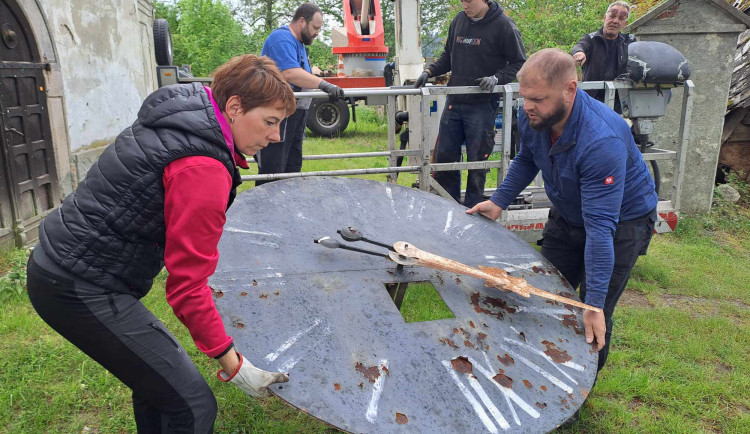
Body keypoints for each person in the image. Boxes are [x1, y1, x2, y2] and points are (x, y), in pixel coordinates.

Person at [26, 54, 296, 432]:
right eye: (270, 122)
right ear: (233, 107)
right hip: (78, 286)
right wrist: (234, 363)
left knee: (158, 386)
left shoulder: (185, 118)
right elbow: (187, 285)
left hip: (69, 267)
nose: (276, 136)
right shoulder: (201, 167)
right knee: (191, 407)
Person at [467, 48, 657, 389]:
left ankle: (575, 393)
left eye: (537, 99)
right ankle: (540, 378)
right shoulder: (534, 116)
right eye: (524, 97)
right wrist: (499, 201)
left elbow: (601, 231)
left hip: (621, 223)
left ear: (570, 90)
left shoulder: (601, 140)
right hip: (568, 212)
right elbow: (528, 157)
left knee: (590, 313)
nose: (527, 107)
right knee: (543, 297)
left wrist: (595, 303)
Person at [414, 0, 526, 208]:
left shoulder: (504, 26)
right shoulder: (458, 20)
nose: (465, 5)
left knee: (477, 160)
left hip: (483, 104)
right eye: (462, 1)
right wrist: (428, 72)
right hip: (455, 101)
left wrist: (496, 78)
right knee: (445, 157)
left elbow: (519, 63)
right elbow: (448, 55)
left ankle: (473, 209)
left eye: (469, 1)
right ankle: (448, 205)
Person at [257, 2, 344, 186]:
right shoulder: (281, 39)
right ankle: (265, 212)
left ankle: (287, 211)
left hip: (294, 116)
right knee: (273, 172)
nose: (317, 33)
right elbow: (290, 72)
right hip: (277, 117)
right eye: (315, 28)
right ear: (302, 22)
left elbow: (302, 75)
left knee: (292, 168)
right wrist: (325, 85)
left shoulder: (300, 45)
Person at [571, 1, 635, 112]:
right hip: (592, 100)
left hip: (619, 100)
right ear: (605, 17)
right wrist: (579, 53)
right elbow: (580, 46)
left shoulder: (629, 42)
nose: (615, 21)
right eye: (612, 16)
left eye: (621, 18)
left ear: (625, 23)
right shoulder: (591, 39)